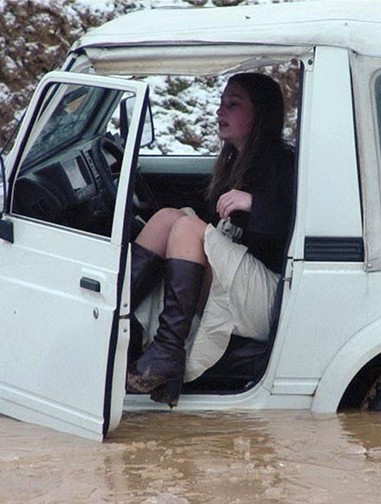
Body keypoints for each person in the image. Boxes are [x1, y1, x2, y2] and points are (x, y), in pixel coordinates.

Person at [126, 72, 295, 407]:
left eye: (232, 105)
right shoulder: (235, 161)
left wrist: (255, 205)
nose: (220, 112)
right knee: (167, 219)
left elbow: (301, 225)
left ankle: (167, 353)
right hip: (240, 283)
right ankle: (120, 325)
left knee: (188, 227)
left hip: (274, 295)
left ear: (259, 114)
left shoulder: (284, 162)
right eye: (220, 103)